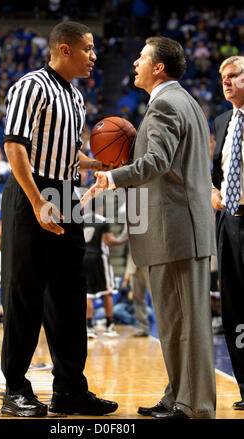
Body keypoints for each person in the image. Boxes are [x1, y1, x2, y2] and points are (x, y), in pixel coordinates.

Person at [81, 36, 216, 419]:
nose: (134, 63)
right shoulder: (185, 101)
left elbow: (155, 162)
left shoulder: (164, 107)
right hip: (180, 229)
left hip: (175, 231)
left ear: (159, 67)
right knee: (176, 325)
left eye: (141, 58)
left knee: (186, 326)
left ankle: (194, 407)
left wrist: (111, 178)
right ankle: (177, 395)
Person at [0, 21, 118, 418]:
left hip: (66, 192)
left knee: (70, 295)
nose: (94, 56)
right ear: (64, 49)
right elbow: (14, 146)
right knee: (25, 292)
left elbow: (71, 157)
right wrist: (36, 201)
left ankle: (70, 389)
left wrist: (101, 162)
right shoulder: (31, 85)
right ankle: (15, 387)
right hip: (32, 190)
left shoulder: (75, 96)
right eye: (87, 49)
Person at [211, 55, 244, 410]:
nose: (227, 82)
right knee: (234, 305)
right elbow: (215, 172)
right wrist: (211, 191)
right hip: (230, 220)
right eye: (224, 77)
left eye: (234, 75)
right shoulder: (222, 122)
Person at [83, 200, 127, 338]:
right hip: (99, 258)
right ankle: (109, 325)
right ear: (101, 207)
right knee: (107, 292)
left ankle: (89, 326)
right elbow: (109, 242)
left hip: (83, 258)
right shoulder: (103, 221)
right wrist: (125, 239)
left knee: (88, 294)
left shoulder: (82, 220)